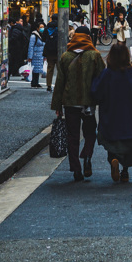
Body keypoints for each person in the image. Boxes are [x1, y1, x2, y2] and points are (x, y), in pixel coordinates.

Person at [51, 26, 105, 181]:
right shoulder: (95, 55)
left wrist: (57, 106)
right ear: (88, 37)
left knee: (72, 136)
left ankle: (76, 169)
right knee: (90, 133)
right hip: (89, 103)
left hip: (70, 102)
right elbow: (102, 77)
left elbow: (60, 82)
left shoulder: (66, 56)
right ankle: (87, 154)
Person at [91, 41, 132, 183]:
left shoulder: (106, 73)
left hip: (111, 113)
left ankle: (113, 159)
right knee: (129, 143)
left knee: (111, 140)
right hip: (130, 114)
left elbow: (96, 92)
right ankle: (125, 171)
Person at [27, 22, 46, 88]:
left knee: (38, 69)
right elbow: (31, 46)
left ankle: (36, 82)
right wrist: (30, 56)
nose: (42, 28)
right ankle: (33, 82)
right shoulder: (34, 36)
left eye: (43, 27)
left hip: (40, 55)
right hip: (35, 55)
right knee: (34, 69)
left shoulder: (42, 35)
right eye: (40, 27)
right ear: (37, 28)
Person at [43, 16, 59, 92]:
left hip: (49, 50)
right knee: (60, 69)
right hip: (58, 50)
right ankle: (59, 84)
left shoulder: (47, 27)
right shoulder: (60, 27)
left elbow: (43, 38)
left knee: (50, 68)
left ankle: (48, 85)